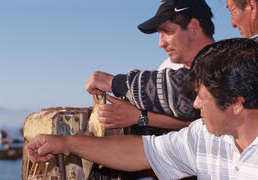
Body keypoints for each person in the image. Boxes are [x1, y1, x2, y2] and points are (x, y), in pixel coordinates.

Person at [27, 38, 258, 179]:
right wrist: (65, 143)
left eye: (202, 98)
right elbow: (142, 152)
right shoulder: (204, 136)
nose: (195, 105)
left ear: (237, 103)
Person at [86, 0, 215, 132]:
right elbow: (193, 120)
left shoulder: (225, 64)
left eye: (167, 32)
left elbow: (188, 90)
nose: (161, 43)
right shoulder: (168, 66)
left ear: (193, 27)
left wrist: (116, 83)